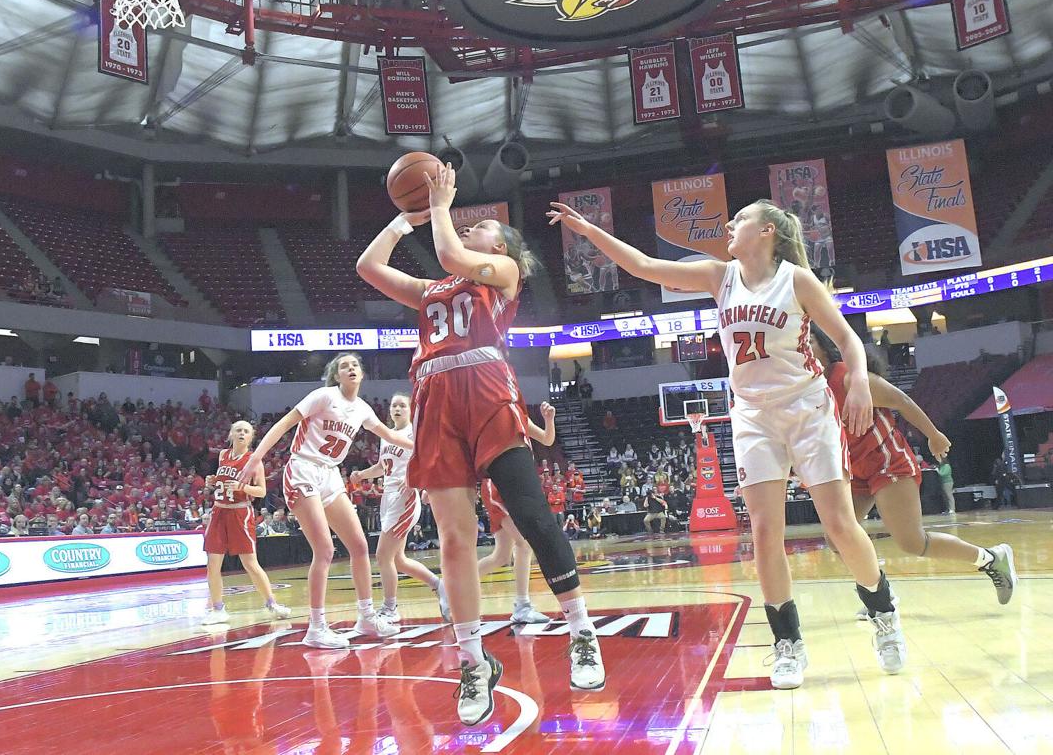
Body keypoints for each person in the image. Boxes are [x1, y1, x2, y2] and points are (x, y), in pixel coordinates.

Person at [551, 196, 904, 690]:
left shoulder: (796, 280)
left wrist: (861, 382)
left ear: (768, 233)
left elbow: (847, 340)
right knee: (763, 533)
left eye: (740, 219)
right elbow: (647, 266)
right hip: (753, 415)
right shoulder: (720, 276)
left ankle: (882, 607)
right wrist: (589, 232)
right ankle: (787, 642)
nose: (730, 225)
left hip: (807, 409)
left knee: (841, 525)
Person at [358, 165, 605, 727]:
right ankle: (474, 661)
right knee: (452, 539)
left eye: (483, 227)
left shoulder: (503, 271)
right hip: (435, 398)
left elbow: (450, 255)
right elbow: (367, 267)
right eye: (467, 226)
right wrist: (406, 218)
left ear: (502, 246)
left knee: (533, 516)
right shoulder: (433, 290)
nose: (471, 229)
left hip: (488, 390)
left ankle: (581, 631)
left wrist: (442, 208)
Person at [810, 328, 1017, 611]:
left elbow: (901, 401)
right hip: (856, 469)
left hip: (887, 461)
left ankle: (991, 558)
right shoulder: (807, 391)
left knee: (912, 542)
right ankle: (879, 593)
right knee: (836, 536)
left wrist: (933, 434)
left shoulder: (849, 377)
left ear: (824, 347)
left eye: (808, 342)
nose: (803, 350)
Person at [247, 353, 411, 648]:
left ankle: (366, 616)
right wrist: (256, 457)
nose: (350, 368)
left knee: (360, 546)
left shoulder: (361, 409)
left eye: (355, 365)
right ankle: (316, 627)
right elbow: (285, 423)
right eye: (344, 366)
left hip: (330, 474)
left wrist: (424, 446)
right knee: (324, 549)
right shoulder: (323, 396)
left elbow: (390, 435)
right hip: (303, 468)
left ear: (361, 374)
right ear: (336, 375)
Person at [349, 393, 450, 624]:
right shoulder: (388, 435)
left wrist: (423, 484)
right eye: (394, 404)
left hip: (405, 499)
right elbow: (383, 466)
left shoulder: (414, 435)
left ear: (410, 410)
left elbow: (429, 460)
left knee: (383, 556)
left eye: (402, 405)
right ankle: (439, 585)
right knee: (399, 560)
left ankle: (390, 607)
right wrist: (363, 474)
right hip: (389, 497)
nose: (397, 408)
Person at [201, 421, 290, 625]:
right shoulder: (223, 455)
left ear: (251, 437)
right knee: (213, 564)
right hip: (218, 511)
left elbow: (261, 491)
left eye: (246, 431)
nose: (242, 433)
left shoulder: (253, 461)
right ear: (231, 434)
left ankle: (271, 604)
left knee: (250, 563)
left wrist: (243, 487)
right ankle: (217, 609)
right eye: (238, 430)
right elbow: (222, 481)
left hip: (240, 513)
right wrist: (213, 481)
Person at [479, 402, 560, 625]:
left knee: (502, 555)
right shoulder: (492, 415)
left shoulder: (519, 415)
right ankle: (522, 606)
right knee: (524, 543)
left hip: (514, 486)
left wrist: (549, 419)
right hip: (497, 485)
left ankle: (451, 586)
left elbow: (547, 439)